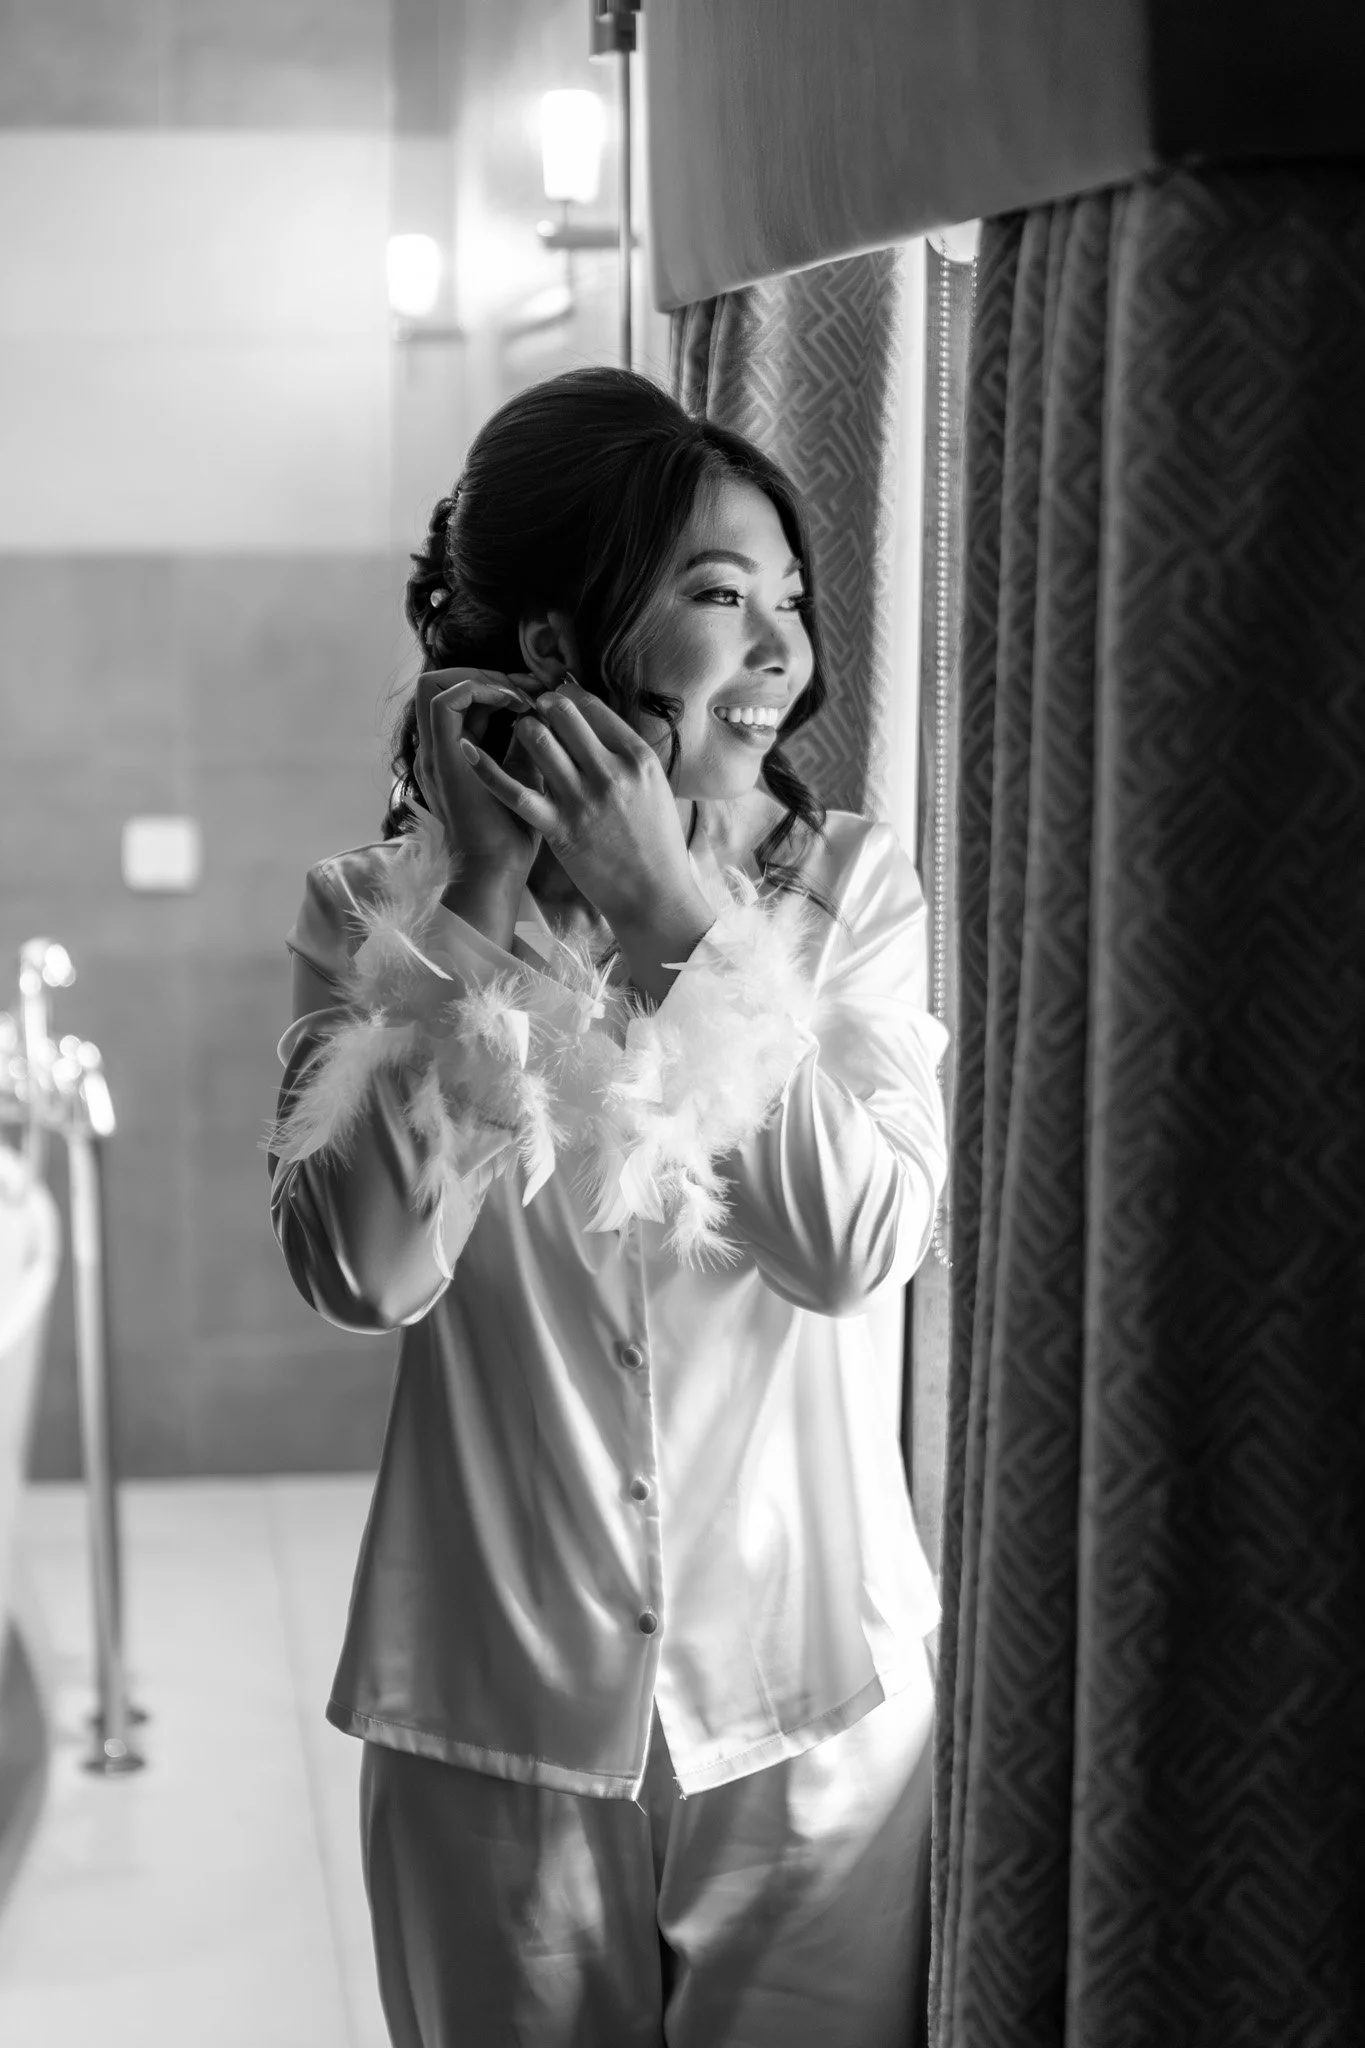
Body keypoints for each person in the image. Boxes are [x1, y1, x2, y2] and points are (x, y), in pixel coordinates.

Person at [267, 366, 948, 2048]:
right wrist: (480, 911)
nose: (783, 649)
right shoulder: (373, 913)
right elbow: (365, 1273)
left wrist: (678, 918)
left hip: (811, 1716)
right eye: (723, 598)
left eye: (790, 600)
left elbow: (856, 1246)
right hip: (487, 1721)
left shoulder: (854, 892)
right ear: (562, 650)